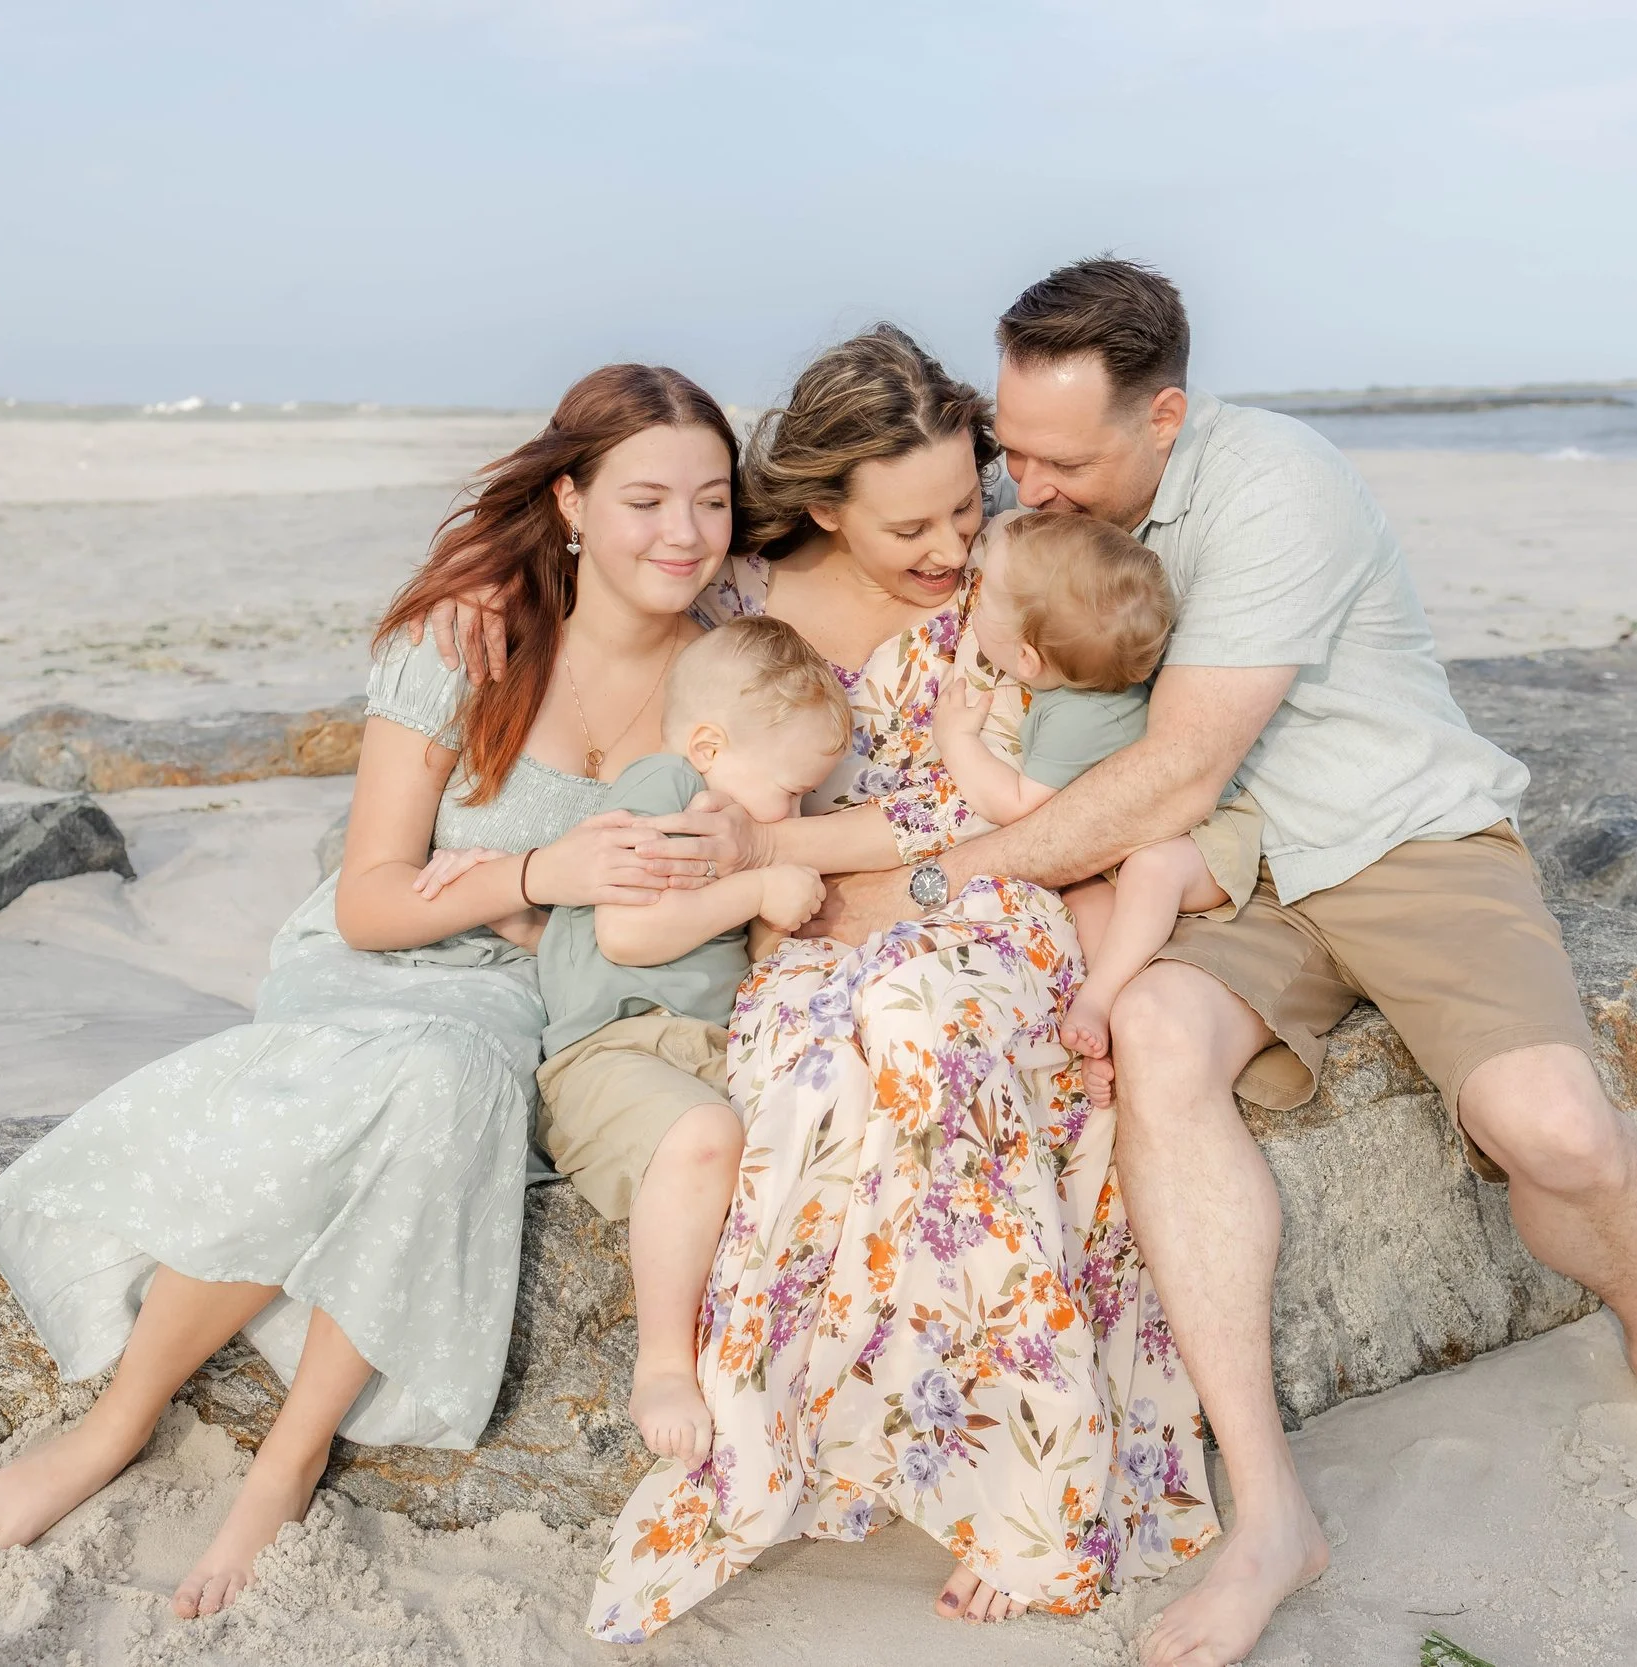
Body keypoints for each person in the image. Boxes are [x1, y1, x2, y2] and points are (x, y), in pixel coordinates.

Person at [779, 259, 1637, 1667]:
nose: (1022, 485)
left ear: (1163, 417)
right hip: (1233, 868)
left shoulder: (1275, 484)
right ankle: (1273, 1508)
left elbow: (1176, 769)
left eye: (1058, 457)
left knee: (1560, 1130)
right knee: (1158, 1039)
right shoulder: (1053, 507)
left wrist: (925, 881)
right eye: (1012, 447)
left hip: (1388, 835)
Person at [426, 324, 1218, 1640]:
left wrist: (781, 848)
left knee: (926, 1035)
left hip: (970, 895)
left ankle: (1022, 1474)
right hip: (787, 934)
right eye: (913, 524)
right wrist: (479, 585)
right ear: (822, 504)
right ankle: (817, 1440)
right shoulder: (732, 600)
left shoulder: (1002, 587)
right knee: (802, 1093)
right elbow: (596, 577)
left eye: (971, 502)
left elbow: (964, 801)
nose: (954, 546)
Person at [0, 363, 736, 1620]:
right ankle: (117, 1421)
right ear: (571, 498)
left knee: (448, 1081)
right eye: (647, 499)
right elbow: (375, 896)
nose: (685, 533)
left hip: (546, 996)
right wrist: (540, 869)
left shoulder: (732, 672)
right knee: (410, 1076)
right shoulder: (466, 644)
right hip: (384, 957)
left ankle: (288, 1455)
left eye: (712, 501)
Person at [422, 616, 849, 1466]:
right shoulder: (663, 785)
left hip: (684, 1050)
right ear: (709, 744)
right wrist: (759, 883)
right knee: (703, 1137)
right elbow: (627, 933)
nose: (793, 814)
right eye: (791, 790)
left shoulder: (713, 798)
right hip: (609, 1055)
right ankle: (660, 1361)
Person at [930, 510, 1263, 1057]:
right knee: (1085, 902)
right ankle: (1103, 1036)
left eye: (984, 602)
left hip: (1202, 843)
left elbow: (1018, 804)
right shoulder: (1078, 682)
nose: (973, 606)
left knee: (1149, 871)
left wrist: (956, 742)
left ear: (1026, 658)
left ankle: (1100, 1001)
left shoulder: (1079, 717)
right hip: (1119, 844)